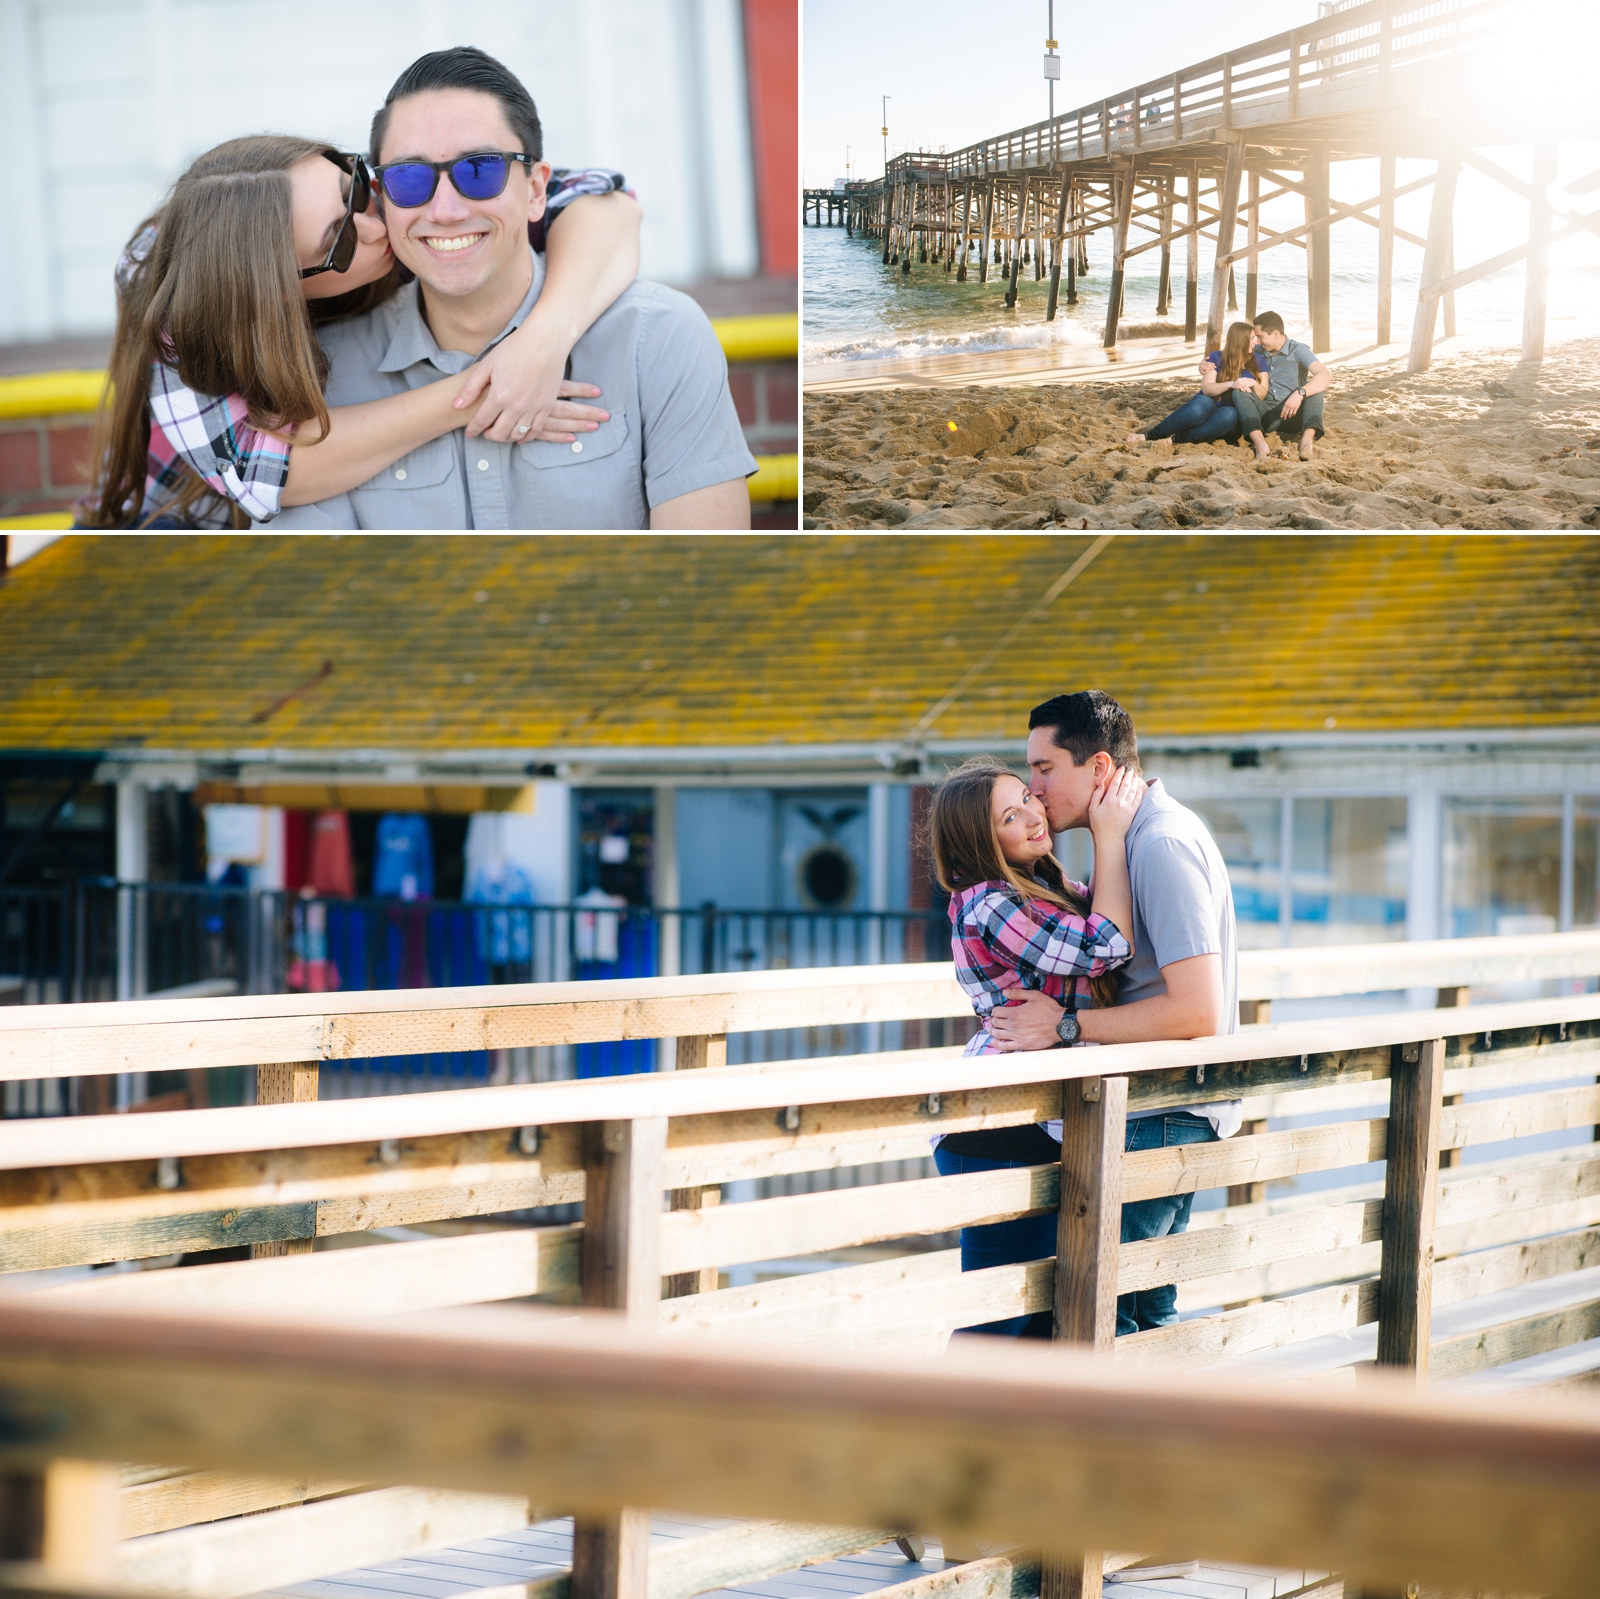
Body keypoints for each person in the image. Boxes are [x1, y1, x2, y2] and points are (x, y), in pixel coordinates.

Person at [271, 46, 756, 530]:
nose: (445, 211)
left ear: (537, 190)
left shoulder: (658, 338)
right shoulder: (323, 372)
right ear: (382, 200)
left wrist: (546, 336)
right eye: (410, 177)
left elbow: (705, 573)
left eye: (480, 169)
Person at [82, 135, 639, 529]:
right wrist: (484, 391)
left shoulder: (392, 191)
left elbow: (606, 203)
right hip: (179, 522)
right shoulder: (175, 290)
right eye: (339, 242)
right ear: (278, 290)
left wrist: (541, 342)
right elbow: (262, 474)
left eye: (355, 190)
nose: (379, 225)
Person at [988, 690, 1242, 1338]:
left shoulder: (1160, 843)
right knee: (1146, 1319)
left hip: (1160, 1117)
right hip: (1154, 1109)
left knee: (1110, 1319)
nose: (1034, 791)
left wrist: (1064, 1027)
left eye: (1044, 771)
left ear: (1099, 769)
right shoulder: (1130, 839)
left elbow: (1196, 1009)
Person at [926, 757, 1143, 1338]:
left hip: (1032, 1115)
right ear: (979, 839)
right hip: (995, 1124)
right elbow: (1108, 944)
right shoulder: (990, 904)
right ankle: (949, 1426)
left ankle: (1012, 1428)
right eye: (1009, 817)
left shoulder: (1044, 886)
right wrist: (1110, 834)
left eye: (1027, 798)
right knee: (1001, 1315)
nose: (1031, 817)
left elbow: (1100, 913)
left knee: (1039, 1313)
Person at [1125, 321, 1267, 447]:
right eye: (1252, 338)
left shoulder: (1258, 360)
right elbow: (1207, 389)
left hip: (1231, 418)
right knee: (1200, 406)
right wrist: (1231, 384)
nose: (1256, 342)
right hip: (1211, 404)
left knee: (1229, 414)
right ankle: (1151, 435)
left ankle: (1178, 439)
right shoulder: (1216, 357)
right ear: (1240, 340)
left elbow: (1262, 393)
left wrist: (1253, 383)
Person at [1229, 310, 1332, 463]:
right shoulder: (1257, 351)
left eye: (1260, 336)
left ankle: (1307, 440)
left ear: (1275, 334)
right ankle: (1260, 444)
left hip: (1294, 414)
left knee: (1315, 389)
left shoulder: (1298, 350)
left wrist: (1300, 393)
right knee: (1239, 392)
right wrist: (1205, 364)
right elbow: (1227, 356)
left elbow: (1325, 375)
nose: (1257, 341)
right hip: (1266, 415)